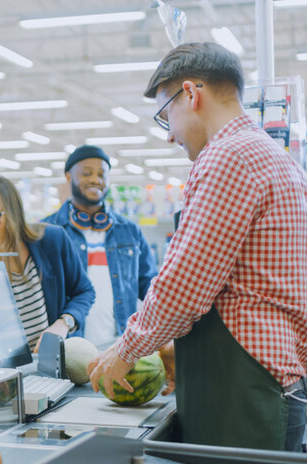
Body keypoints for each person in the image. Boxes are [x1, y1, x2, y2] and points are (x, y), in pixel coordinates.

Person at [88, 42, 307, 452]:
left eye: (165, 115)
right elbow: (246, 285)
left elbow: (184, 285)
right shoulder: (276, 159)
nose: (170, 134)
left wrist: (128, 349)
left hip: (244, 391)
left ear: (191, 94)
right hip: (273, 379)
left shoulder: (228, 156)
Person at [0, 175, 95, 352]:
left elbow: (84, 291)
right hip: (2, 373)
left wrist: (63, 323)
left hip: (54, 367)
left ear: (13, 213)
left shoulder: (52, 240)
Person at [43, 145, 158, 348]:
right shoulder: (48, 231)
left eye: (102, 174)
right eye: (87, 173)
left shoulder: (129, 230)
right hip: (70, 346)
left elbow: (149, 286)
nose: (95, 179)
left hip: (121, 346)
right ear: (69, 177)